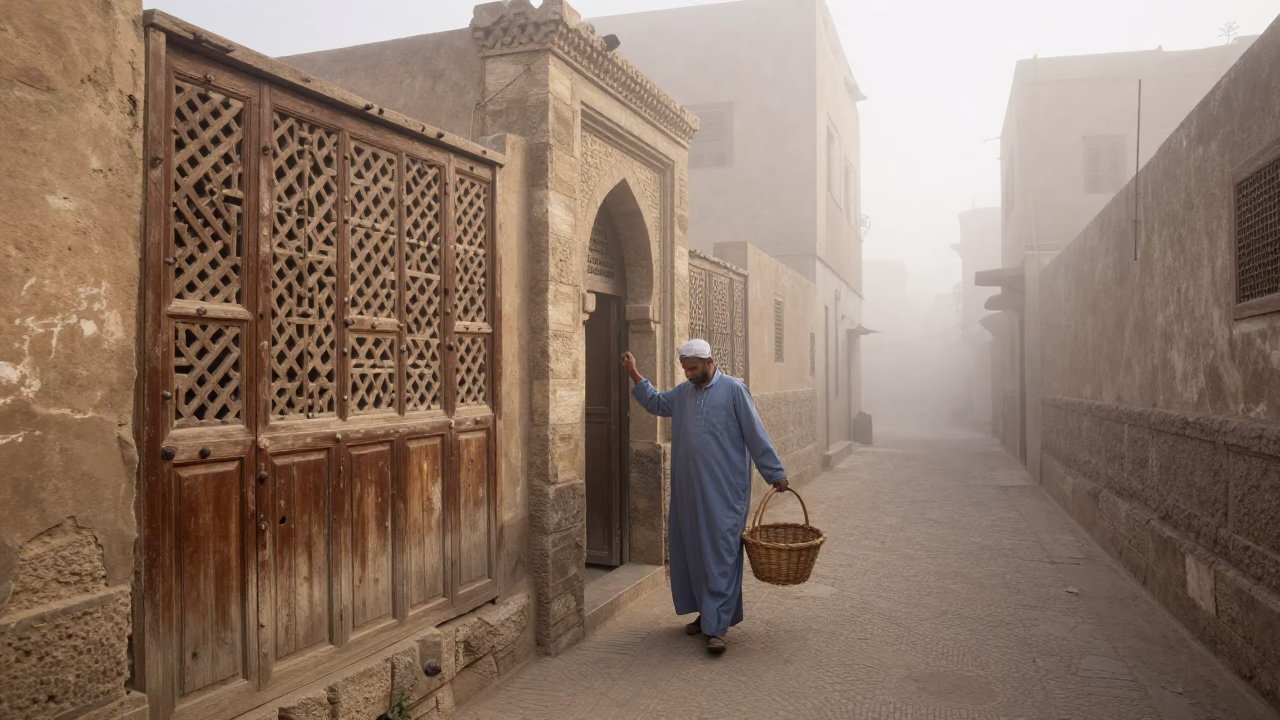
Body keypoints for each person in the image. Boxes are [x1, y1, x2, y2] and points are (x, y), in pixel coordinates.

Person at [621, 339, 789, 655]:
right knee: (693, 552)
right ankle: (707, 613)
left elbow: (755, 434)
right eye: (684, 368)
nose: (687, 373)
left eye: (692, 368)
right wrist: (634, 373)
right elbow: (656, 403)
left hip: (725, 492)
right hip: (689, 491)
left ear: (709, 363)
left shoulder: (735, 390)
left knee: (722, 553)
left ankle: (717, 628)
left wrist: (775, 472)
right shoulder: (684, 394)